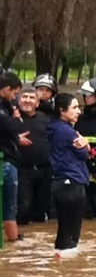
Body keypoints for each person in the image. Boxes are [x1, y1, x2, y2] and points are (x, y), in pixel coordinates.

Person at [47, 93, 90, 256]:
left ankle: (61, 262)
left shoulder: (54, 128)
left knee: (64, 231)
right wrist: (86, 143)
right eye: (74, 107)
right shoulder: (66, 131)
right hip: (71, 183)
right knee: (71, 232)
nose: (78, 111)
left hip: (60, 183)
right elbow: (84, 154)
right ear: (62, 111)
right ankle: (69, 272)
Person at [0, 71, 30, 242]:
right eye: (15, 93)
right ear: (6, 89)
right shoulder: (4, 110)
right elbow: (11, 127)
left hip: (8, 159)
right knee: (9, 207)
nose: (15, 97)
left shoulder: (5, 106)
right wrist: (16, 119)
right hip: (6, 162)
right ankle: (13, 240)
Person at [16, 86, 53, 224]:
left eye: (32, 98)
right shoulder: (11, 119)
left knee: (41, 212)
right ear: (19, 100)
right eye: (24, 97)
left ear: (37, 103)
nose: (28, 100)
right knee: (23, 209)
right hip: (22, 170)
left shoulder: (46, 119)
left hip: (45, 170)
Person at [76, 78, 96, 219]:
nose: (86, 99)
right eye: (85, 96)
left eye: (89, 95)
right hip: (84, 165)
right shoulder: (82, 118)